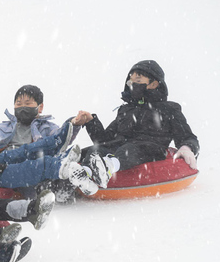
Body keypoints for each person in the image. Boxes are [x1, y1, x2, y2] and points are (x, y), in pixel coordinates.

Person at [74, 60, 200, 188]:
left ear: (154, 84)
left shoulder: (168, 110)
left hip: (149, 150)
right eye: (130, 81)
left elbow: (187, 136)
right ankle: (80, 177)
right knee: (96, 150)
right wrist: (91, 122)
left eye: (138, 81)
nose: (132, 84)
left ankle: (107, 168)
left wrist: (187, 148)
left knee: (129, 150)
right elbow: (104, 139)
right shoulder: (126, 110)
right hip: (119, 148)